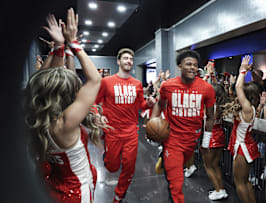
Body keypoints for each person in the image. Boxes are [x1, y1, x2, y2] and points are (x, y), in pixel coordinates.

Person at [24, 8, 103, 202]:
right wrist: (74, 43)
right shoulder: (66, 123)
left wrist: (59, 46)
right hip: (77, 193)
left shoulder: (39, 116)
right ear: (68, 94)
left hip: (56, 188)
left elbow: (53, 80)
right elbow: (94, 80)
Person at [151, 50, 216, 203]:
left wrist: (205, 142)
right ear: (180, 66)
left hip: (191, 141)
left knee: (177, 175)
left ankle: (165, 161)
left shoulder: (206, 88)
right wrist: (152, 126)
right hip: (172, 140)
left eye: (195, 65)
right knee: (176, 184)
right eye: (188, 64)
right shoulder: (168, 86)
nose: (192, 67)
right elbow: (159, 105)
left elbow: (211, 117)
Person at [94, 47, 156, 203]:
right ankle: (106, 156)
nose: (129, 61)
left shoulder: (136, 84)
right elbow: (95, 102)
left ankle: (119, 195)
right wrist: (97, 115)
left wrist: (148, 103)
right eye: (126, 58)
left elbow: (141, 104)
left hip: (130, 133)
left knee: (129, 167)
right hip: (112, 132)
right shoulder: (106, 82)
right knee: (112, 167)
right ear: (118, 61)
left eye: (131, 59)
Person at [227, 55, 260, 203]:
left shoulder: (247, 108)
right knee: (246, 182)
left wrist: (242, 71)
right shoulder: (251, 108)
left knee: (239, 182)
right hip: (246, 145)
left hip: (242, 147)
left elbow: (238, 87)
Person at [201, 84, 229, 200]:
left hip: (210, 135)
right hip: (220, 134)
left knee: (208, 165)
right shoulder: (221, 105)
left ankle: (218, 190)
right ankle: (221, 189)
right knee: (215, 165)